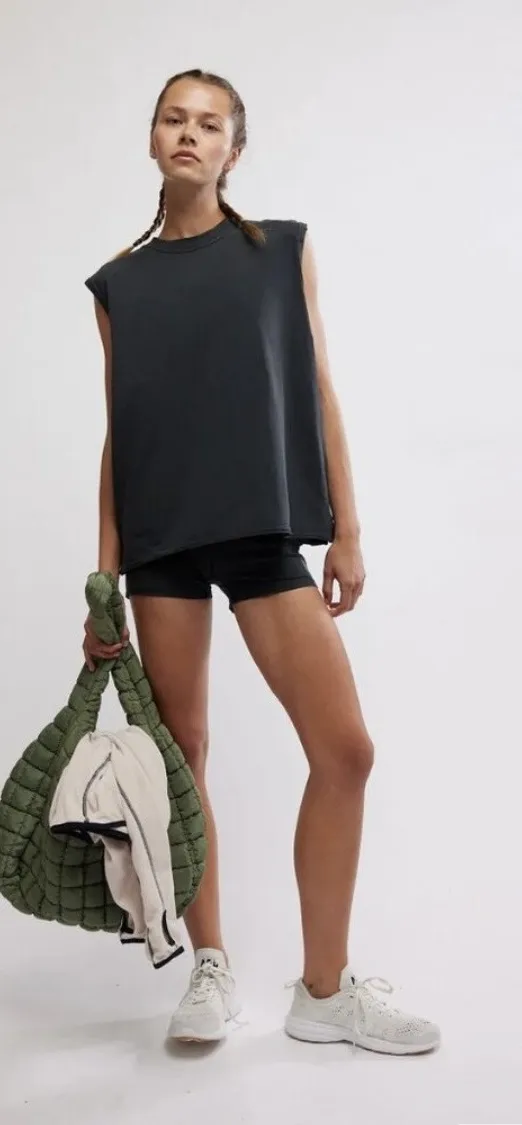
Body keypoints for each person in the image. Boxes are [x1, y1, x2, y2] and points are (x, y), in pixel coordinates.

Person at [83, 68, 440, 1056]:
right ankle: (210, 965)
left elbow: (317, 384)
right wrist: (103, 577)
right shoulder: (118, 285)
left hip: (260, 524)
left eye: (210, 124)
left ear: (234, 151)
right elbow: (119, 429)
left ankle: (324, 991)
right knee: (182, 753)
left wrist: (347, 527)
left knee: (345, 750)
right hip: (160, 535)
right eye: (174, 118)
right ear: (153, 138)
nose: (189, 134)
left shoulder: (279, 251)